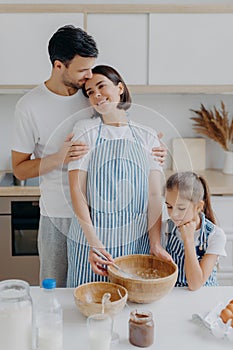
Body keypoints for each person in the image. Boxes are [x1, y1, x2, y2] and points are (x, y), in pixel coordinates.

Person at [11, 25, 166, 288]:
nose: (89, 78)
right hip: (59, 213)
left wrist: (152, 148)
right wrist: (61, 157)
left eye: (92, 73)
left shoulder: (91, 94)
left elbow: (120, 119)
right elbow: (20, 170)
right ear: (59, 66)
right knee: (57, 288)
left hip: (107, 217)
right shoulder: (29, 106)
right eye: (83, 71)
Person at [66, 65, 171, 287]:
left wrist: (155, 243)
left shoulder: (147, 135)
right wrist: (94, 243)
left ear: (120, 87)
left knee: (132, 306)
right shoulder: (86, 129)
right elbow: (77, 191)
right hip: (92, 243)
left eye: (101, 86)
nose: (96, 95)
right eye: (90, 92)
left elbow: (153, 196)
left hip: (136, 243)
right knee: (91, 307)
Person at [162, 171, 226, 290]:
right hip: (174, 295)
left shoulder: (215, 235)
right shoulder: (165, 229)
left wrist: (188, 240)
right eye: (169, 206)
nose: (173, 214)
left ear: (198, 207)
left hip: (204, 296)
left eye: (181, 208)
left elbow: (195, 284)